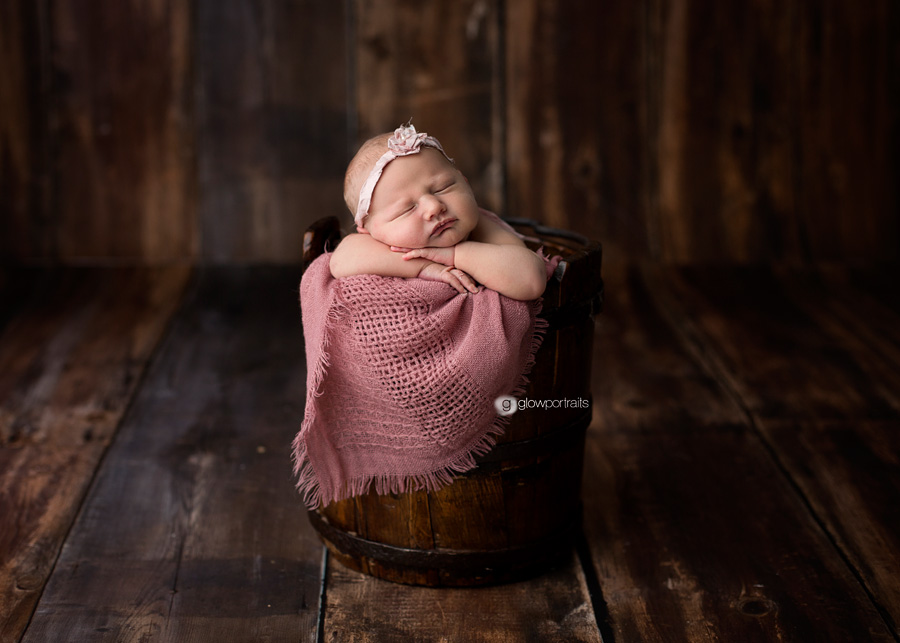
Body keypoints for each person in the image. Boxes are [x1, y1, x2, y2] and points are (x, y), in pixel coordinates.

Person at [329, 122, 548, 301]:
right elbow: (339, 262)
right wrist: (424, 266)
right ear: (368, 230)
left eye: (443, 188)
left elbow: (531, 280)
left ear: (465, 182)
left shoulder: (482, 228)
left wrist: (455, 255)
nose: (434, 207)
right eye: (406, 209)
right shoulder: (373, 244)